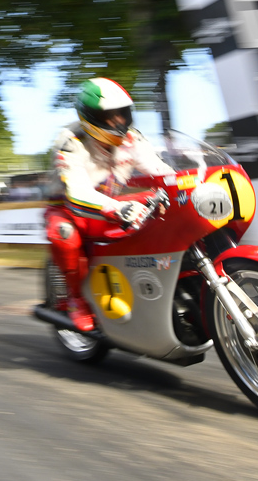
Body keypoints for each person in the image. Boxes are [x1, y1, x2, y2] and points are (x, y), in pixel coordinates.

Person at [46, 77, 172, 332]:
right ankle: (76, 300)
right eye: (109, 117)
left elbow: (161, 171)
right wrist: (118, 209)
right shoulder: (70, 142)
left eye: (123, 114)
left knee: (163, 205)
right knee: (64, 235)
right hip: (70, 210)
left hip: (113, 204)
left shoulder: (133, 139)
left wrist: (187, 185)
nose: (119, 123)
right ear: (89, 117)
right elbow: (78, 193)